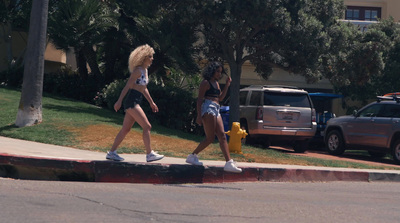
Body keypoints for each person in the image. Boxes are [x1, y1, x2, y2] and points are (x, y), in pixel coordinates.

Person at [106, 44, 164, 162]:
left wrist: (151, 102)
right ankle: (149, 154)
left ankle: (112, 152)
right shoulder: (137, 71)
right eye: (150, 56)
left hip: (136, 100)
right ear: (144, 57)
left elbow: (144, 88)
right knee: (147, 126)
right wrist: (119, 101)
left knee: (125, 129)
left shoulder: (145, 70)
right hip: (132, 101)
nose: (152, 58)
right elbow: (128, 86)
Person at [186, 61, 242, 173]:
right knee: (210, 138)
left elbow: (220, 98)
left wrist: (227, 85)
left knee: (222, 135)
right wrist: (198, 115)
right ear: (211, 71)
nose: (219, 74)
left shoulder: (216, 83)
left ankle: (228, 162)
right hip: (208, 107)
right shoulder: (205, 83)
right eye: (217, 71)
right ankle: (192, 156)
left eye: (220, 72)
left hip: (216, 108)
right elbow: (200, 99)